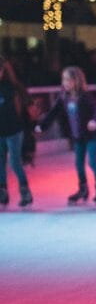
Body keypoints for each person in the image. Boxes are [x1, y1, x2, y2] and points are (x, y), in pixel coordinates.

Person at [36, 66, 96, 205]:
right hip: (78, 136)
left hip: (91, 135)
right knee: (78, 164)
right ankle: (83, 189)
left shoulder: (85, 96)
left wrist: (94, 120)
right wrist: (42, 125)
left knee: (92, 161)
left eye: (68, 80)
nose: (65, 83)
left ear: (76, 81)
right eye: (63, 80)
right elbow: (53, 112)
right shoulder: (64, 97)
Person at [0, 58, 33, 207]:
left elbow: (22, 110)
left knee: (14, 162)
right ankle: (2, 192)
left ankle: (25, 190)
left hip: (14, 131)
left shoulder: (13, 87)